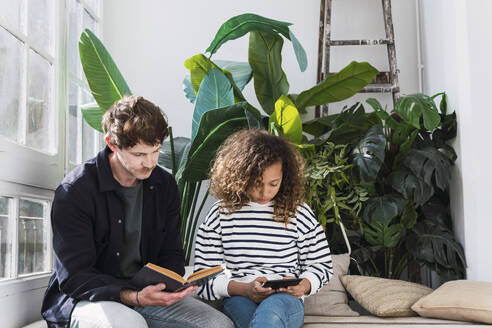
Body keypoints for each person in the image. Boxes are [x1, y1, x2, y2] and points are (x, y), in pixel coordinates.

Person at [41, 95, 234, 328]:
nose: (150, 163)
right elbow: (75, 278)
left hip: (144, 294)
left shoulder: (164, 185)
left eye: (155, 151)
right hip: (87, 299)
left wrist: (171, 286)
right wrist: (133, 296)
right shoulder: (75, 191)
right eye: (139, 155)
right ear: (112, 144)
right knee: (128, 324)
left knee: (218, 325)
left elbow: (171, 253)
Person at [194, 129, 333, 328]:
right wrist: (244, 289)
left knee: (271, 313)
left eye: (273, 184)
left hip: (286, 302)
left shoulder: (298, 211)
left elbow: (321, 264)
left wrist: (303, 285)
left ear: (284, 178)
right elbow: (203, 279)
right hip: (239, 298)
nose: (264, 192)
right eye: (257, 183)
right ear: (240, 175)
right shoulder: (220, 214)